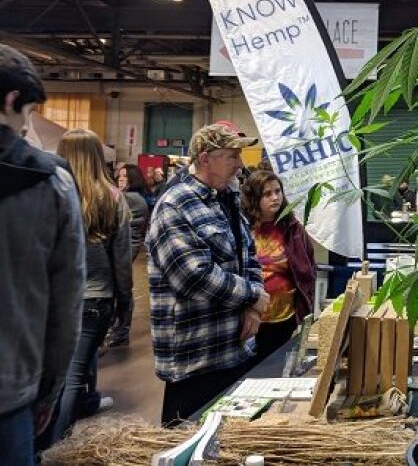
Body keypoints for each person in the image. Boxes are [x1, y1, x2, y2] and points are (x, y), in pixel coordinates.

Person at [146, 124, 269, 426]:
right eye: (231, 156)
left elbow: (249, 256)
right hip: (195, 360)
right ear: (205, 158)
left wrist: (253, 307)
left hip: (233, 350)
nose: (240, 164)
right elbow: (193, 277)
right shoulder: (175, 205)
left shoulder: (226, 201)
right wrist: (253, 295)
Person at [0, 45, 85, 465]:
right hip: (10, 393)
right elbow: (66, 302)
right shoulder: (52, 185)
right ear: (12, 101)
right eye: (29, 113)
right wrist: (50, 389)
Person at [52, 129, 132, 443]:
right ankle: (58, 445)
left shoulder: (51, 192)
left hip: (56, 299)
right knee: (75, 373)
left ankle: (55, 434)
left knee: (63, 372)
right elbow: (121, 260)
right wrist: (126, 304)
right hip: (96, 299)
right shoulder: (111, 197)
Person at [241, 170, 317, 362]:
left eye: (278, 191)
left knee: (276, 369)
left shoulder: (292, 227)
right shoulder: (242, 227)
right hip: (248, 317)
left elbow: (308, 266)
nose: (275, 197)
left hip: (284, 317)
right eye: (267, 194)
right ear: (254, 198)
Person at [104, 163, 150, 348]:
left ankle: (120, 329)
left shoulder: (130, 198)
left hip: (126, 245)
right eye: (119, 176)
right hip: (126, 244)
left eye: (125, 176)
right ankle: (119, 328)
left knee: (122, 286)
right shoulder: (129, 197)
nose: (121, 179)